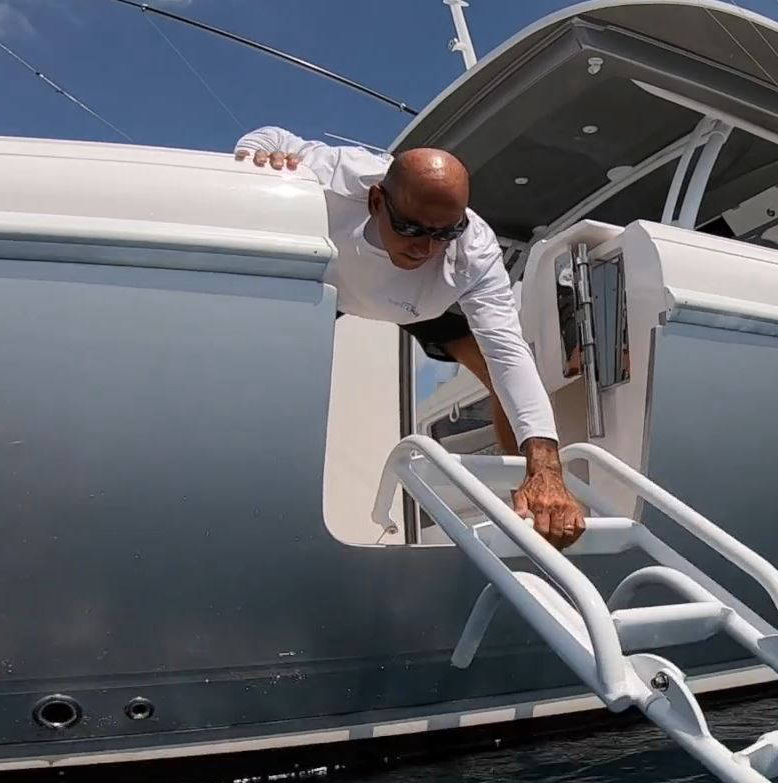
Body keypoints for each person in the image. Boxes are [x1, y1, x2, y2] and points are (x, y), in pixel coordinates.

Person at [232, 126, 585, 549]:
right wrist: (253, 161)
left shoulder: (473, 250)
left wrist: (547, 469)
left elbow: (509, 354)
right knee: (270, 375)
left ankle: (527, 499)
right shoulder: (336, 174)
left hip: (422, 306)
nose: (426, 249)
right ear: (376, 201)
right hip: (331, 285)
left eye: (444, 233)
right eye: (411, 228)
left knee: (495, 373)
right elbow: (269, 137)